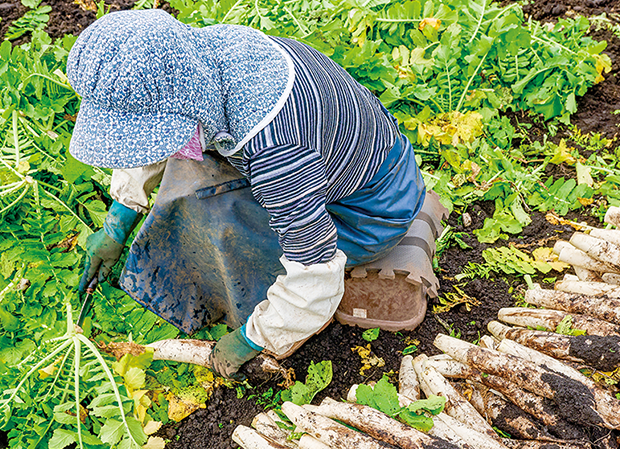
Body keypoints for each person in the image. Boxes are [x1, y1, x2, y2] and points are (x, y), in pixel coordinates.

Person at [67, 9, 444, 377]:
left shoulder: (279, 152)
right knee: (188, 176)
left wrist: (255, 338)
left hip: (367, 210)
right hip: (348, 151)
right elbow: (147, 132)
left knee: (214, 218)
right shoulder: (202, 55)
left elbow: (314, 271)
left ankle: (258, 313)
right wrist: (120, 216)